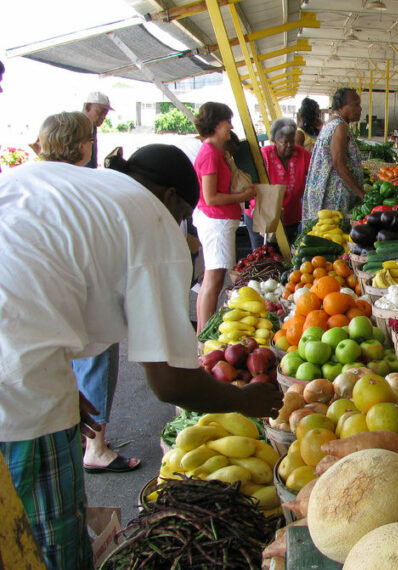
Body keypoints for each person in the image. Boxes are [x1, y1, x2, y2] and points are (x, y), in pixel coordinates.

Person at [0, 142, 283, 569]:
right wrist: (248, 401)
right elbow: (169, 381)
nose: (180, 225)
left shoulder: (59, 179)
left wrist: (53, 376)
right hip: (18, 384)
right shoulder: (151, 219)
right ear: (170, 197)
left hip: (20, 359)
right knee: (45, 540)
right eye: (183, 213)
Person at [36, 112, 139, 474]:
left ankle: (76, 436)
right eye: (88, 140)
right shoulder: (85, 183)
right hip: (78, 290)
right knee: (96, 359)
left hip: (39, 295)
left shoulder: (31, 179)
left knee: (57, 366)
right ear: (81, 145)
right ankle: (96, 446)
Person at [191, 102, 257, 334]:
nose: (230, 126)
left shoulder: (216, 151)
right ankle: (203, 335)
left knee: (212, 279)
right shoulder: (209, 153)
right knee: (213, 281)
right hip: (216, 222)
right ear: (217, 124)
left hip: (219, 222)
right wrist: (243, 195)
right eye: (227, 121)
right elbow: (210, 197)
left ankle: (202, 331)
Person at [302, 88, 365, 223]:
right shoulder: (339, 126)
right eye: (356, 104)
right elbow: (339, 164)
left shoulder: (330, 123)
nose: (360, 109)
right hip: (334, 195)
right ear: (342, 106)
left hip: (325, 192)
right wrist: (361, 194)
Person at [255, 118, 311, 244]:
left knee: (286, 257)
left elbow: (316, 173)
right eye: (284, 142)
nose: (290, 145)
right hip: (264, 216)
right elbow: (253, 185)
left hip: (291, 216)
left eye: (292, 141)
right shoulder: (263, 156)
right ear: (274, 141)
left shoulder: (301, 153)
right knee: (263, 255)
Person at [82, 91, 112, 169]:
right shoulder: (76, 127)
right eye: (100, 112)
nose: (103, 117)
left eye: (105, 114)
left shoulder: (92, 127)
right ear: (88, 107)